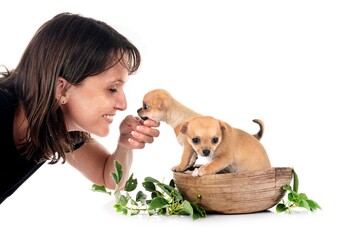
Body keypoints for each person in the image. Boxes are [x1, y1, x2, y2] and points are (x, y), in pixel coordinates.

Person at [0, 12, 160, 204]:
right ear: (62, 88)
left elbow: (108, 178)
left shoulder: (57, 124)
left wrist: (124, 146)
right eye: (112, 88)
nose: (123, 104)